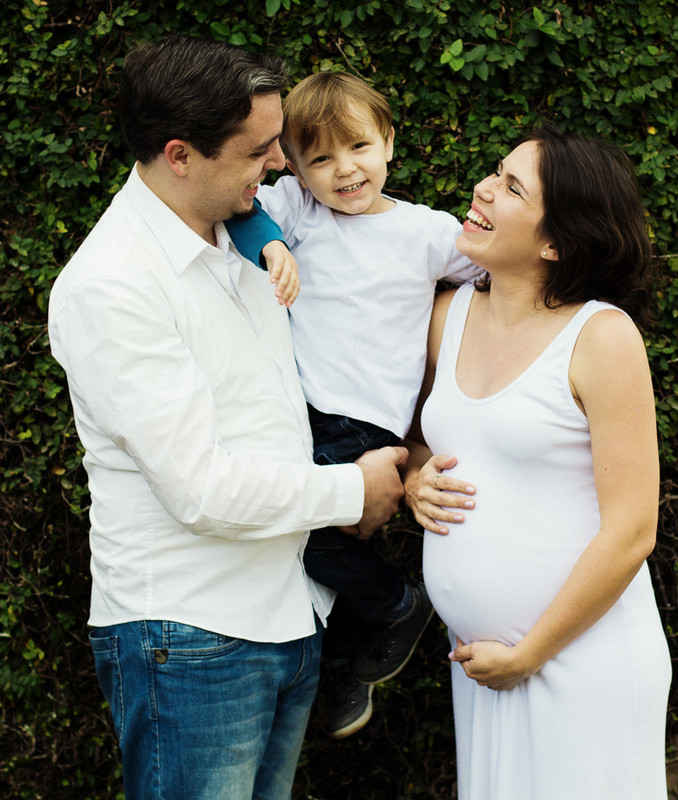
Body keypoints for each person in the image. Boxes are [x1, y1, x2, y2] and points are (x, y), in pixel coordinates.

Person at [46, 35, 407, 800]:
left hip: (289, 615)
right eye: (258, 151)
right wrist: (354, 492)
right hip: (190, 637)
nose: (279, 164)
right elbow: (201, 488)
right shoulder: (113, 287)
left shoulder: (247, 235)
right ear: (180, 155)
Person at [404, 127, 671, 798]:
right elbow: (416, 433)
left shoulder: (602, 339)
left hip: (582, 661)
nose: (483, 189)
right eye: (496, 171)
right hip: (485, 667)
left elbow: (632, 530)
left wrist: (531, 653)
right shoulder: (446, 315)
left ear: (555, 242)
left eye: (512, 187)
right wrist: (413, 475)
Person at [223, 71, 484, 739]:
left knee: (300, 535)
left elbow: (492, 278)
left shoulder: (427, 232)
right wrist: (273, 243)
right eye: (320, 158)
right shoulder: (300, 213)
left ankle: (396, 605)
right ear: (297, 168)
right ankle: (346, 671)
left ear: (389, 143)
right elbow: (240, 207)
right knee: (293, 543)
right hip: (296, 411)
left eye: (359, 148)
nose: (345, 171)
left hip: (362, 421)